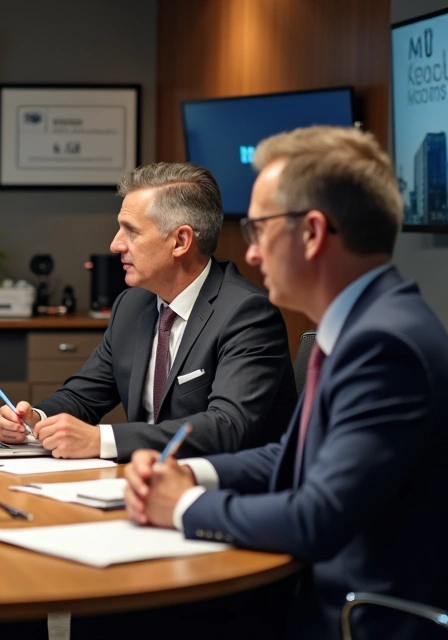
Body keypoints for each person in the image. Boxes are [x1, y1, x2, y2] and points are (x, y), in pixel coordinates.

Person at [125, 126, 448, 639]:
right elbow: (292, 456)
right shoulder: (358, 325)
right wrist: (193, 476)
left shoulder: (387, 345)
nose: (250, 254)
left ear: (314, 233)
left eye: (259, 229)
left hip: (356, 619)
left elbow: (317, 517)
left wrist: (182, 507)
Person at [0, 162, 296, 463]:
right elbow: (82, 396)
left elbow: (226, 427)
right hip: (140, 481)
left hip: (227, 492)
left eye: (131, 232)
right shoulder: (132, 305)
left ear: (180, 241)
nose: (115, 245)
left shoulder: (247, 313)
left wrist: (102, 439)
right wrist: (35, 417)